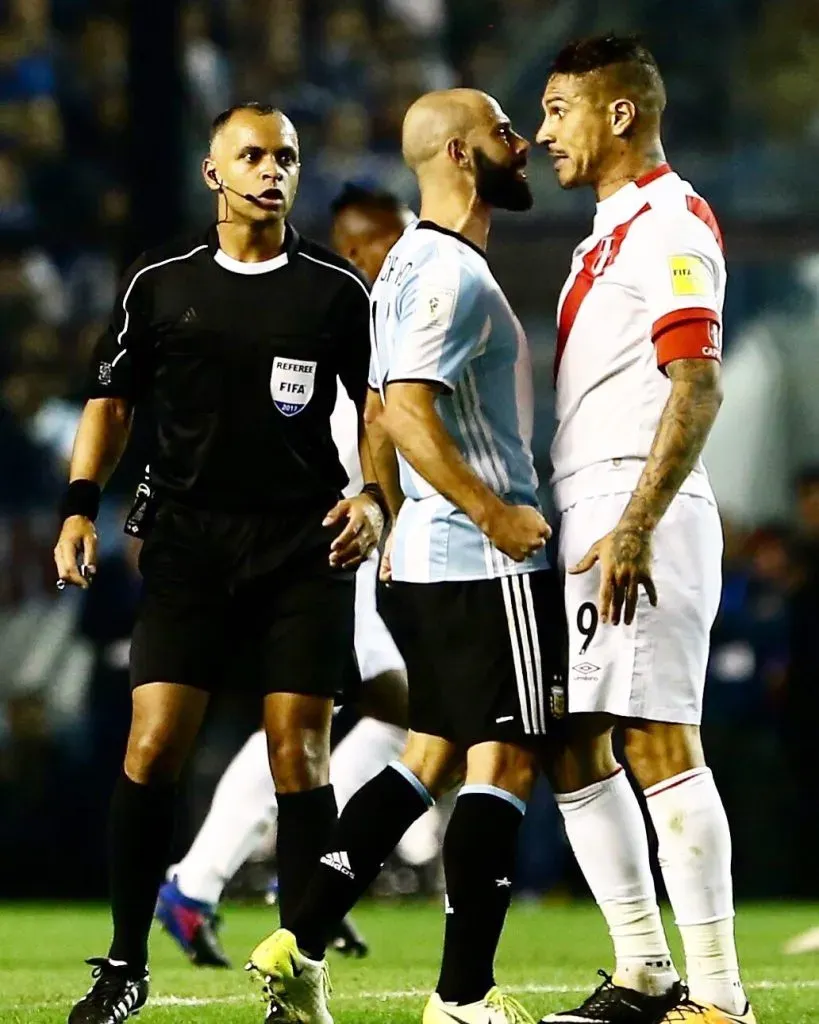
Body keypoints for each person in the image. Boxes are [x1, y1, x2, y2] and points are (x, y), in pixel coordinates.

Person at [54, 103, 389, 1024]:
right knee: (153, 744)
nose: (272, 170)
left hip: (302, 545)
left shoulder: (334, 289)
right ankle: (125, 965)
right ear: (214, 173)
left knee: (300, 755)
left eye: (285, 156)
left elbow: (377, 408)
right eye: (252, 155)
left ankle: (296, 976)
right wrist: (79, 505)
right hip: (188, 543)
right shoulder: (159, 281)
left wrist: (373, 497)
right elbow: (111, 402)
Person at [244, 88, 559, 1024]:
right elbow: (408, 411)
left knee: (427, 752)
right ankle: (462, 997)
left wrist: (388, 506)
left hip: (424, 555)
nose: (522, 142)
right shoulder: (446, 272)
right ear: (458, 153)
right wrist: (494, 514)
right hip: (479, 561)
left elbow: (380, 412)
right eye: (503, 130)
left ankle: (297, 939)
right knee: (504, 762)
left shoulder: (406, 267)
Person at [535, 35, 753, 1024]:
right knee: (574, 740)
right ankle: (643, 974)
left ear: (618, 112)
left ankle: (719, 998)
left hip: (639, 510)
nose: (545, 133)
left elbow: (696, 385)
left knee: (661, 740)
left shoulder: (670, 223)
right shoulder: (608, 231)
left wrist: (635, 523)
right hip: (596, 507)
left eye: (559, 109)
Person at [155, 188, 431, 966]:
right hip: (323, 556)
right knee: (383, 714)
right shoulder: (333, 327)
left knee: (348, 723)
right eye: (391, 246)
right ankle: (256, 877)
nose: (405, 260)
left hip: (357, 556)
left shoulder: (380, 329)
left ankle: (262, 878)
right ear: (358, 249)